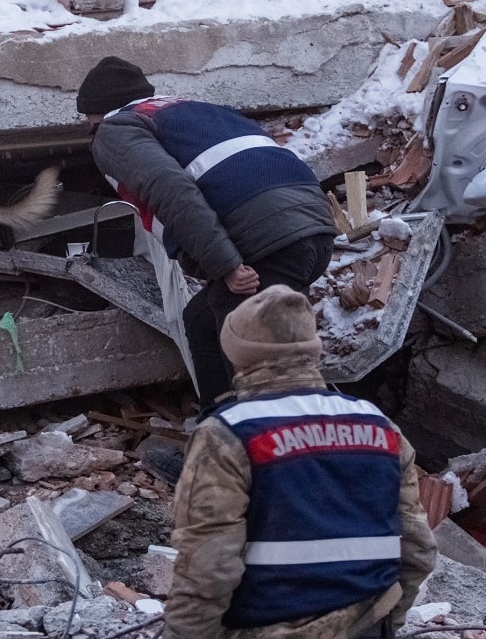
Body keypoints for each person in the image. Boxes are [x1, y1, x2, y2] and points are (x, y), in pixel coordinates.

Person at [162, 285, 437, 639]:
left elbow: (208, 568)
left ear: (237, 355)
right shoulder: (379, 427)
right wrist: (386, 622)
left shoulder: (228, 434)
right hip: (368, 625)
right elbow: (418, 549)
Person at [76, 56, 338, 415]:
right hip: (313, 230)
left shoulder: (114, 129)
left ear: (96, 113)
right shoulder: (194, 110)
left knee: (255, 373)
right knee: (202, 323)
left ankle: (263, 459)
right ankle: (216, 434)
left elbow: (171, 191)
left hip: (266, 241)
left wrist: (225, 265)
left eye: (88, 122)